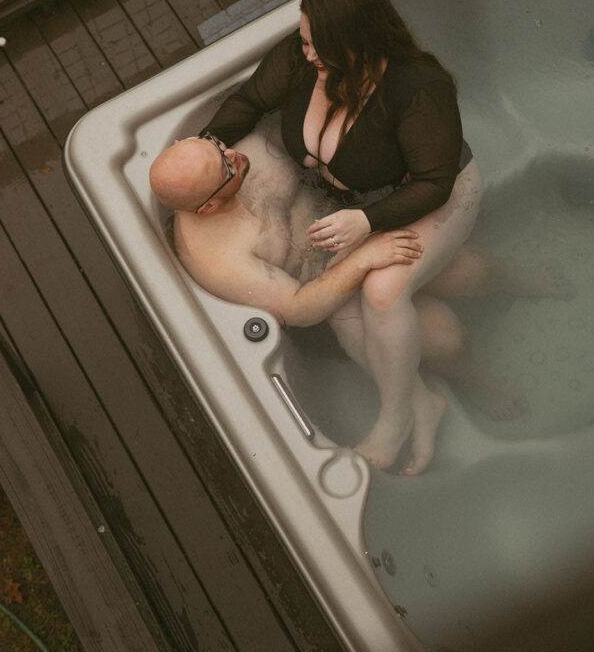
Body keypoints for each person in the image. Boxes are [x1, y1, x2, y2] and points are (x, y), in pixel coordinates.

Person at [199, 0, 484, 473]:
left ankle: (394, 419)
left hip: (433, 196)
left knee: (381, 293)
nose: (304, 51)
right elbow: (248, 102)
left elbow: (433, 182)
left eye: (316, 43)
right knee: (340, 301)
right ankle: (422, 400)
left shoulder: (417, 88)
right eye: (304, 38)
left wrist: (367, 220)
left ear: (355, 42)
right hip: (361, 203)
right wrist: (205, 156)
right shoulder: (303, 57)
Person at [150, 129, 474, 475]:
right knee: (443, 338)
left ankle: (523, 282)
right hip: (325, 295)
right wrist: (365, 258)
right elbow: (299, 309)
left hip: (354, 224)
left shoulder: (236, 146)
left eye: (217, 147)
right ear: (207, 207)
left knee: (471, 271)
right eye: (225, 169)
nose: (233, 156)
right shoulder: (217, 258)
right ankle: (445, 393)